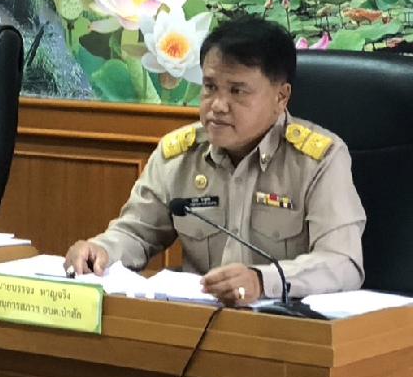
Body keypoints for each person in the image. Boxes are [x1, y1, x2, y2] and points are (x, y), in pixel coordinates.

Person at [64, 16, 365, 305]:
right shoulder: (178, 155)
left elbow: (342, 262)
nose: (218, 105)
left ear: (281, 97)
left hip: (288, 325)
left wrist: (263, 281)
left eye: (237, 91)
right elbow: (136, 233)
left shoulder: (319, 160)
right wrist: (101, 250)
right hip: (198, 323)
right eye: (209, 87)